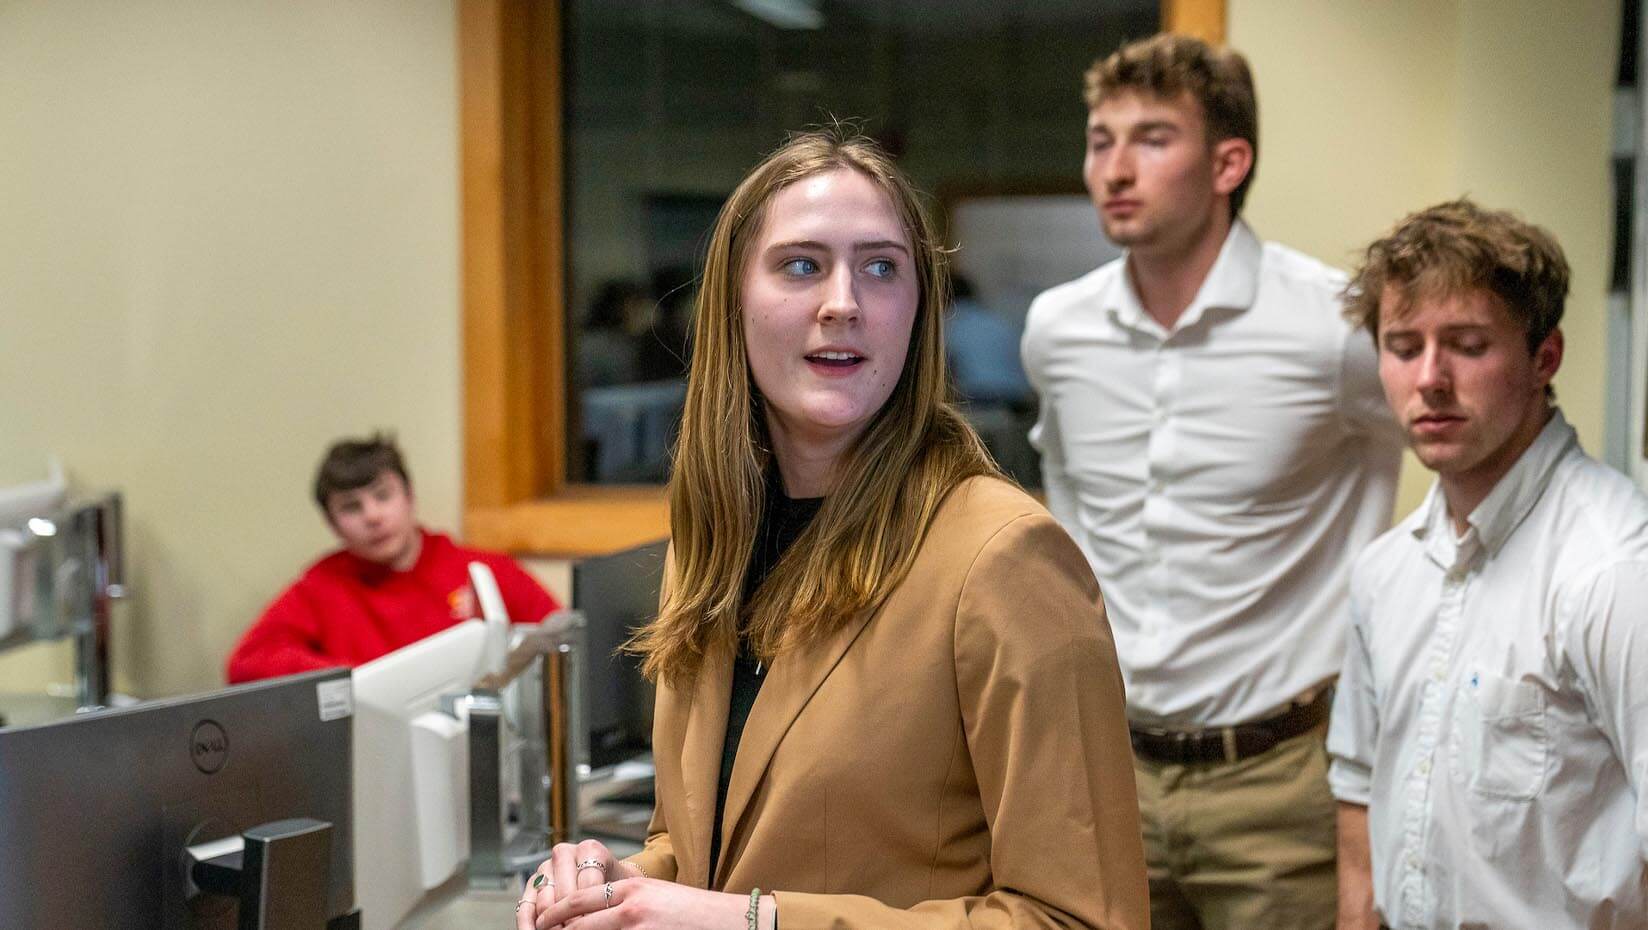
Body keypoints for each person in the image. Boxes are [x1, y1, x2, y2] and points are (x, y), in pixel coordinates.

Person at [516, 130, 1148, 930]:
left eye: (881, 267)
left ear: (917, 312)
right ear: (733, 301)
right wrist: (619, 881)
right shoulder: (712, 546)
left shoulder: (1003, 558)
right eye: (802, 265)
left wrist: (758, 923)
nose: (843, 301)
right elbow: (706, 842)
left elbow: (1083, 920)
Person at [1020, 33, 1403, 929]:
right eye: (1100, 139)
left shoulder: (1336, 328)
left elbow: (1459, 461)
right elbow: (1067, 510)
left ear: (1230, 162)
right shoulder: (1057, 330)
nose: (1115, 167)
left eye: (1152, 139)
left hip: (1280, 783)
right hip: (1105, 769)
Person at [1328, 199, 1648, 929]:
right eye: (1403, 346)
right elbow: (1357, 784)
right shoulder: (1384, 572)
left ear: (1545, 357)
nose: (1430, 379)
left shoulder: (1615, 571)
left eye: (1467, 345)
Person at [225, 434, 560, 683]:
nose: (372, 516)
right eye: (351, 507)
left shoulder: (481, 569)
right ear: (332, 524)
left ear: (409, 496)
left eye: (383, 496)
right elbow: (247, 664)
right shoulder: (322, 586)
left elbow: (561, 636)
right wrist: (354, 680)